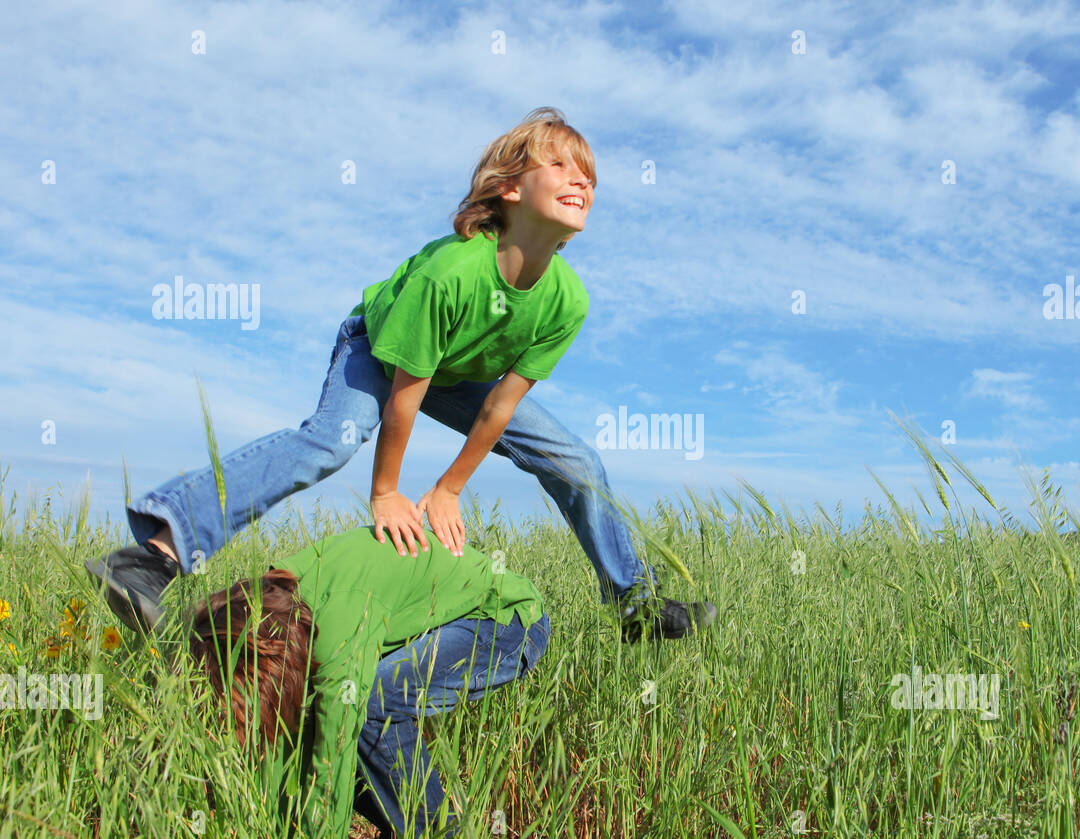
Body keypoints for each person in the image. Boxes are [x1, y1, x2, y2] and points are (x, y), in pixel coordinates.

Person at [85, 106, 716, 644]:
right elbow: (403, 400)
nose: (581, 179)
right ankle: (153, 554)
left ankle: (633, 603)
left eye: (590, 175)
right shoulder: (453, 273)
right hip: (382, 350)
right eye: (561, 165)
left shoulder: (567, 300)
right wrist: (387, 491)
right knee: (330, 443)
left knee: (575, 462)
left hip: (462, 373)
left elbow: (500, 408)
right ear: (510, 188)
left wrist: (448, 488)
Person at [186, 525, 549, 839]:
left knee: (372, 705)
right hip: (457, 617)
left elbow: (334, 753)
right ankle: (404, 832)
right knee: (322, 714)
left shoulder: (335, 624)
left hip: (506, 620)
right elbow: (294, 743)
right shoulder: (283, 595)